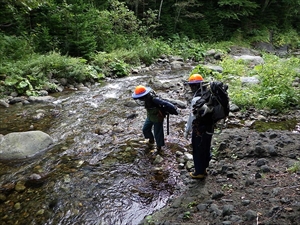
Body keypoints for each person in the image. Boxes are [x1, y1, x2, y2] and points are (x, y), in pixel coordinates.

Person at [184, 74, 214, 179]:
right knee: (206, 147)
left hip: (199, 129)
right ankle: (204, 168)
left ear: (196, 86)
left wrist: (187, 131)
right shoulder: (208, 94)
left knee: (197, 149)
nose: (191, 88)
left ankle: (199, 172)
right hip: (210, 127)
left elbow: (191, 118)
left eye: (192, 86)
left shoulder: (196, 99)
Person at [132, 85, 165, 153]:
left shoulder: (154, 99)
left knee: (158, 133)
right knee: (145, 129)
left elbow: (164, 103)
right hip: (150, 116)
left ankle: (159, 147)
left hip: (157, 117)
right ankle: (151, 140)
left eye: (140, 97)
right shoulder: (146, 98)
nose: (140, 99)